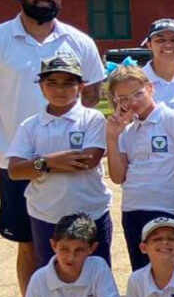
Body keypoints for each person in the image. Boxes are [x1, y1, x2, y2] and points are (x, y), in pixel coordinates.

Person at [1, 0, 105, 297]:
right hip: (14, 158)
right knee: (29, 243)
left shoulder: (80, 41)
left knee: (82, 240)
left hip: (73, 158)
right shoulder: (1, 38)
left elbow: (92, 94)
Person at [7, 54, 112, 266]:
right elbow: (15, 171)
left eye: (68, 83)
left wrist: (36, 165)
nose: (59, 90)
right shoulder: (30, 126)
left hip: (92, 211)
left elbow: (88, 160)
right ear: (41, 87)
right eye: (52, 83)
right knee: (53, 275)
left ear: (81, 87)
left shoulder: (92, 119)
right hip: (47, 215)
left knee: (96, 273)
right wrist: (48, 162)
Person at [105, 64, 174, 270]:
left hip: (167, 206)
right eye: (123, 98)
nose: (132, 102)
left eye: (138, 94)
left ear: (150, 88)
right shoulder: (126, 130)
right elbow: (118, 177)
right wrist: (112, 137)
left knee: (172, 270)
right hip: (133, 208)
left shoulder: (172, 119)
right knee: (142, 271)